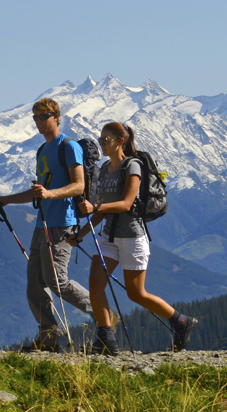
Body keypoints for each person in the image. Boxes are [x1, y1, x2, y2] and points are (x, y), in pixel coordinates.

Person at [0, 98, 93, 351]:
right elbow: (38, 192)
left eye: (43, 116)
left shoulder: (68, 146)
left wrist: (49, 194)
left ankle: (101, 313)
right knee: (35, 283)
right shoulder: (42, 150)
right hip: (42, 224)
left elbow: (79, 186)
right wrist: (7, 200)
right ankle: (47, 339)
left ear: (56, 116)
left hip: (62, 224)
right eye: (35, 117)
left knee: (57, 281)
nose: (38, 121)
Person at [82, 122, 198, 353]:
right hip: (108, 235)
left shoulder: (132, 166)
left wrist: (94, 205)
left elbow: (125, 203)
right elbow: (103, 210)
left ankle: (181, 321)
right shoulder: (105, 169)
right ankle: (106, 338)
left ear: (120, 141)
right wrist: (80, 233)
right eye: (101, 139)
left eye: (107, 140)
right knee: (95, 284)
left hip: (132, 236)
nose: (102, 143)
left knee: (136, 293)